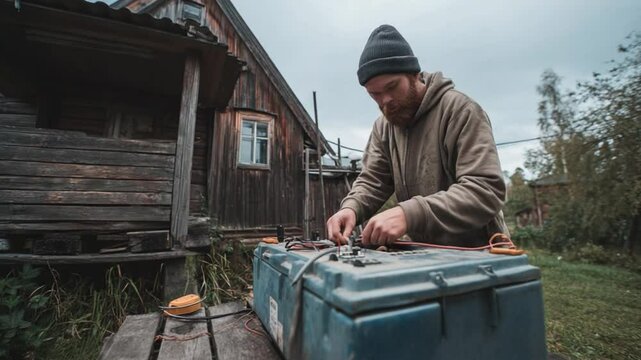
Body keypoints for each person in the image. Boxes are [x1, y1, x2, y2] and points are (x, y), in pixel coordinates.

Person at [326, 24, 509, 247]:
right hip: (428, 255)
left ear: (414, 75)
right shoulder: (384, 127)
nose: (385, 101)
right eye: (374, 94)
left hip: (481, 254)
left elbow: (485, 190)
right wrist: (351, 208)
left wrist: (408, 214)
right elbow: (373, 181)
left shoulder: (460, 111)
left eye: (392, 87)